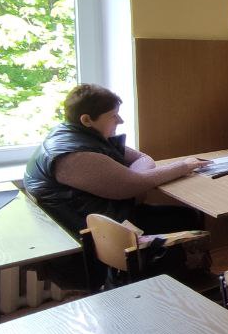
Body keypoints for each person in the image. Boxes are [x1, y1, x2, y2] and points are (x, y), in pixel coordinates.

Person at [24, 84, 207, 237]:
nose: (120, 120)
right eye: (113, 115)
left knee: (186, 215)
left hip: (100, 217)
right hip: (98, 233)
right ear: (87, 120)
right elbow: (131, 186)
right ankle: (179, 270)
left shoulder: (75, 134)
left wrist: (135, 181)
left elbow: (142, 159)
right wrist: (184, 166)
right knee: (186, 217)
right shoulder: (74, 156)